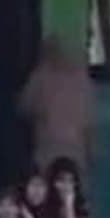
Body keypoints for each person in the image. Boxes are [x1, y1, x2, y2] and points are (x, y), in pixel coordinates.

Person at [17, 34, 95, 178]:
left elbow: (24, 107)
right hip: (76, 151)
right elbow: (89, 125)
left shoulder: (40, 77)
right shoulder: (83, 81)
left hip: (48, 150)